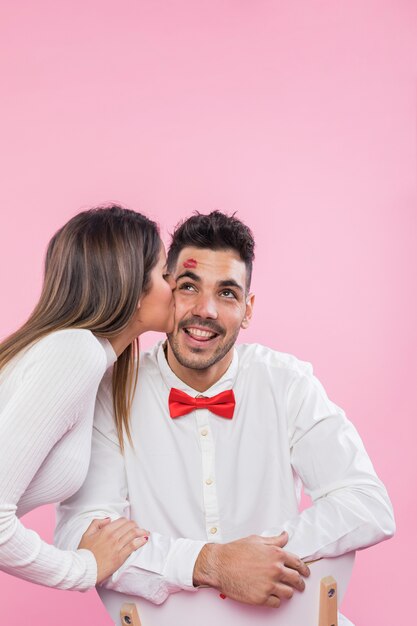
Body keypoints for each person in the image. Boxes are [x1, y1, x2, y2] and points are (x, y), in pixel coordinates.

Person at [55, 211, 395, 619]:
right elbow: (83, 535)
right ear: (163, 292)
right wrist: (212, 563)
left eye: (227, 293)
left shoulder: (287, 382)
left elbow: (367, 504)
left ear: (248, 310)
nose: (206, 310)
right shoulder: (112, 392)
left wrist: (262, 556)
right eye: (188, 287)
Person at [0, 204, 176, 591]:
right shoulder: (74, 353)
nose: (175, 285)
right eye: (164, 273)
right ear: (129, 282)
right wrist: (82, 568)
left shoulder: (83, 358)